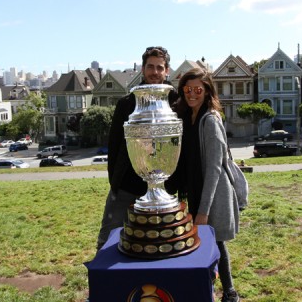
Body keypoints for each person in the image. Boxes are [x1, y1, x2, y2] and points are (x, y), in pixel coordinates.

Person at [95, 46, 177, 251]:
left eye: (160, 67)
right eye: (151, 67)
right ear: (143, 69)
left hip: (164, 188)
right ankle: (105, 280)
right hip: (127, 186)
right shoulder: (126, 104)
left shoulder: (176, 103)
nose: (155, 72)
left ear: (167, 70)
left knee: (159, 242)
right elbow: (114, 146)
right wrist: (115, 182)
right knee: (108, 239)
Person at [172, 67, 240, 302]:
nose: (192, 94)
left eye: (198, 90)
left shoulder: (209, 120)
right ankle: (208, 287)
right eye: (187, 89)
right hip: (195, 190)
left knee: (216, 242)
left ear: (207, 90)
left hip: (211, 194)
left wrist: (203, 211)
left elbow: (213, 169)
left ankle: (229, 292)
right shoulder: (187, 116)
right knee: (204, 243)